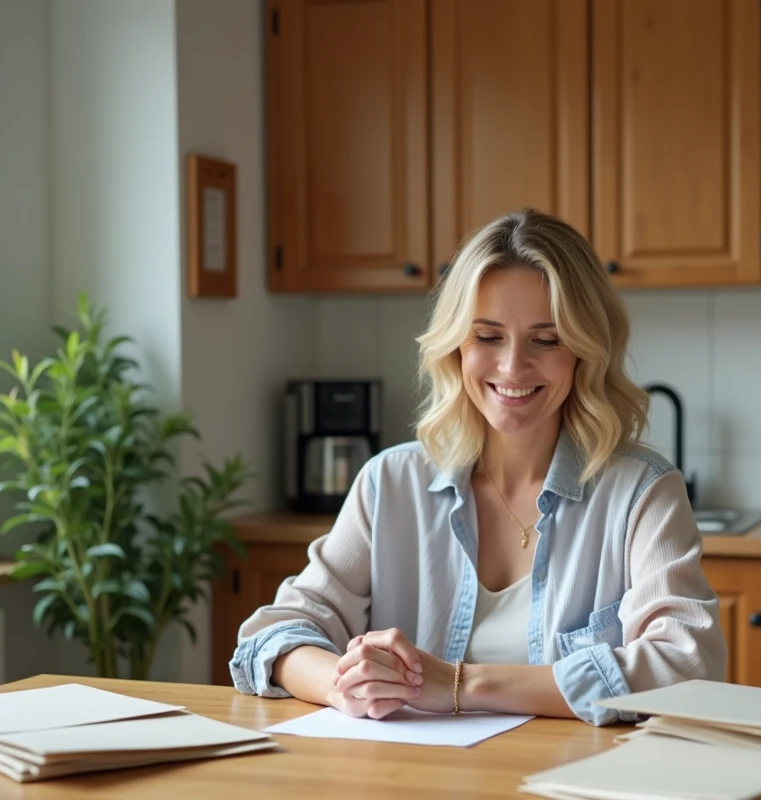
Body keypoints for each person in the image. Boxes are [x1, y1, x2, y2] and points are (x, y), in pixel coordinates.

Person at [229, 208, 726, 726]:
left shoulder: (642, 491)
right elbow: (274, 636)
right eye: (488, 337)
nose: (513, 367)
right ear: (456, 346)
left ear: (585, 350)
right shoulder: (389, 483)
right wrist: (346, 685)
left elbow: (687, 666)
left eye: (547, 339)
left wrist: (460, 684)